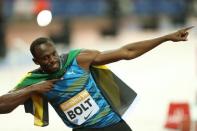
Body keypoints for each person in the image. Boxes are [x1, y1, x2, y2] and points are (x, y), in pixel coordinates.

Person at [0, 26, 193, 131]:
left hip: (114, 125)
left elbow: (126, 52)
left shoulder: (78, 60)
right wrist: (32, 90)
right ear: (36, 60)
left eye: (53, 54)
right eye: (45, 58)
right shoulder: (34, 80)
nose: (51, 61)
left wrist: (165, 38)